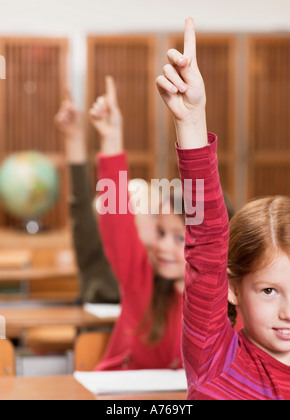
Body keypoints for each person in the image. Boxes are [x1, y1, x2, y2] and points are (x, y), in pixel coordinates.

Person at [156, 17, 290, 400]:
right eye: (269, 290)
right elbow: (207, 240)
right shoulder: (216, 356)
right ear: (233, 289)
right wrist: (191, 120)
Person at [89, 76, 186, 371]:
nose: (162, 245)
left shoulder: (230, 304)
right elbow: (116, 219)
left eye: (179, 238)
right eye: (160, 232)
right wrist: (112, 138)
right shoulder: (140, 280)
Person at [54, 96, 120, 304]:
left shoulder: (155, 267)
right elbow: (81, 203)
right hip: (95, 326)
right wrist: (74, 138)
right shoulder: (95, 252)